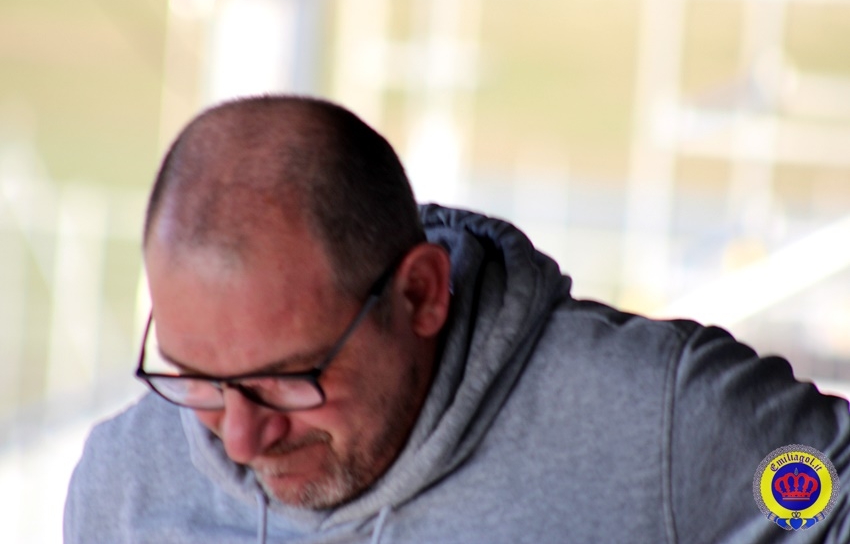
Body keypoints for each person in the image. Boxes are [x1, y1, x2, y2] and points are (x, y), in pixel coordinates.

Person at [64, 95, 850, 543]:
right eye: (198, 378)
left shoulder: (659, 424)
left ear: (420, 295)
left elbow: (826, 496)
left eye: (288, 378)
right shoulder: (124, 485)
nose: (237, 439)